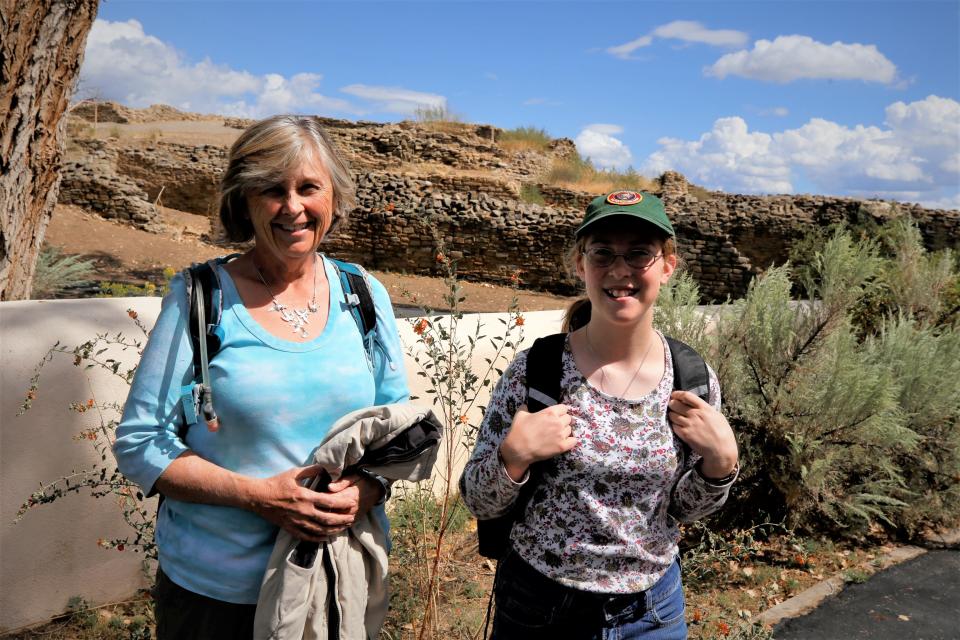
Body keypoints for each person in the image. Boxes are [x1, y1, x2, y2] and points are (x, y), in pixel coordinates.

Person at [113, 115, 409, 640]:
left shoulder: (362, 294)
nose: (293, 207)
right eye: (272, 189)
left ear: (334, 198)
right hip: (217, 596)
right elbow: (141, 442)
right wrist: (258, 496)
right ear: (243, 202)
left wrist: (365, 488)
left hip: (335, 582)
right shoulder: (202, 298)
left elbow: (396, 424)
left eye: (309, 187)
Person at [460, 190, 739, 639]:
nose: (620, 270)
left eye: (639, 255)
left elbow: (682, 511)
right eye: (603, 253)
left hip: (652, 613)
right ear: (580, 264)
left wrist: (720, 466)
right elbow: (478, 500)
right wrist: (513, 458)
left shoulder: (692, 377)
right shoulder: (536, 370)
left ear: (668, 266)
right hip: (539, 608)